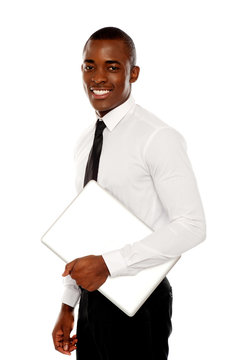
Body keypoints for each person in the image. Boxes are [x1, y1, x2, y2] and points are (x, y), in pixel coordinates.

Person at [52, 27, 206, 360]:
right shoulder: (84, 141)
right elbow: (86, 225)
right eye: (89, 65)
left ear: (133, 72)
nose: (98, 76)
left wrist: (110, 264)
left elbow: (192, 225)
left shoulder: (158, 137)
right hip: (92, 300)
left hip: (140, 303)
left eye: (113, 66)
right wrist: (69, 302)